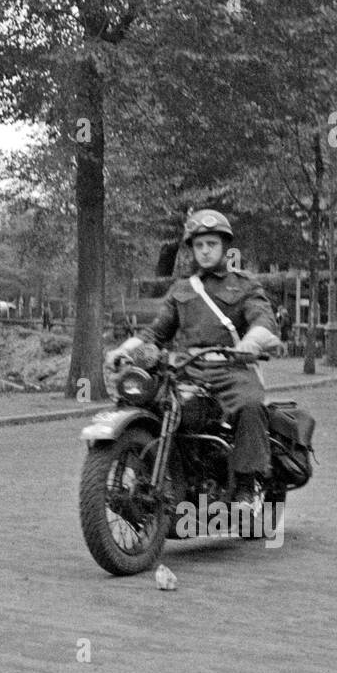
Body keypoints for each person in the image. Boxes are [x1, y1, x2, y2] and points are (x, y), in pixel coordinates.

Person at [105, 209, 281, 506]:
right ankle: (147, 470)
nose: (205, 250)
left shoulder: (244, 284)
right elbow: (155, 333)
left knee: (250, 406)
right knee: (142, 399)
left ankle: (247, 485)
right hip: (185, 370)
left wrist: (250, 344)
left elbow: (264, 322)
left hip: (231, 368)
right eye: (199, 245)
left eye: (211, 244)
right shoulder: (182, 289)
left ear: (225, 247)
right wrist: (124, 349)